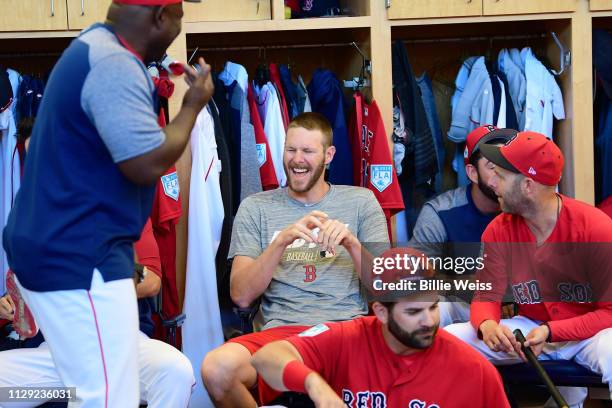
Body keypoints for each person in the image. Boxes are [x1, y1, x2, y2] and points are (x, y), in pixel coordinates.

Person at [1, 0, 214, 405]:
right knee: (106, 397)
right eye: (179, 19)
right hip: (79, 256)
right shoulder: (114, 63)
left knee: (103, 387)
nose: (177, 32)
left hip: (65, 253)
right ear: (159, 16)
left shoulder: (92, 46)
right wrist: (191, 106)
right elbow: (146, 163)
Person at [202, 112, 389, 407]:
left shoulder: (361, 201)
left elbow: (387, 287)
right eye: (291, 150)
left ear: (329, 156)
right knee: (217, 369)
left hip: (345, 330)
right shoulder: (256, 207)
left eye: (307, 151)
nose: (297, 160)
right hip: (281, 334)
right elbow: (240, 295)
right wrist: (281, 242)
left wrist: (352, 244)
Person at [445, 131, 612, 407]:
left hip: (589, 335)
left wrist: (552, 330)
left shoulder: (595, 228)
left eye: (501, 175)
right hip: (532, 330)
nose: (493, 182)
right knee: (449, 341)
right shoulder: (499, 229)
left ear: (527, 186)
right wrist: (486, 325)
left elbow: (609, 313)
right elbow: (487, 296)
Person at [251, 248, 511, 408]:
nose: (429, 321)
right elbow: (266, 357)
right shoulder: (348, 337)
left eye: (432, 307)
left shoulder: (473, 369)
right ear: (381, 312)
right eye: (413, 312)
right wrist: (314, 385)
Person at [0, 219, 195, 407]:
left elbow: (151, 280)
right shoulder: (41, 221)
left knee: (175, 372)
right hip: (58, 359)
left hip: (121, 350)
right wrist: (10, 304)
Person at [409, 125, 515, 326]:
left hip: (518, 311)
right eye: (493, 166)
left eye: (509, 164)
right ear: (473, 173)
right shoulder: (440, 212)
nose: (504, 173)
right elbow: (416, 279)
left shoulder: (524, 205)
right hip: (461, 307)